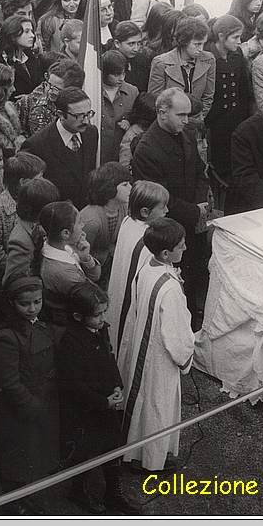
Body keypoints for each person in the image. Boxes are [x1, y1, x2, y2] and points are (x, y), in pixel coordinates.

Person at [117, 218, 196, 473]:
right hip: (160, 355)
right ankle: (151, 461)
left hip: (143, 341)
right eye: (181, 246)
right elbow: (177, 331)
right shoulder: (170, 288)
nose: (185, 249)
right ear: (165, 252)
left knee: (141, 401)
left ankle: (135, 452)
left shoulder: (147, 267)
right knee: (157, 406)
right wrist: (185, 357)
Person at [56, 285, 139, 515]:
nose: (103, 318)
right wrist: (104, 402)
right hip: (85, 409)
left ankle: (113, 492)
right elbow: (73, 386)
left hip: (105, 402)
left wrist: (116, 384)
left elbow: (108, 358)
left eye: (104, 312)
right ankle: (78, 491)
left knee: (112, 444)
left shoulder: (100, 330)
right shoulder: (70, 343)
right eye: (97, 314)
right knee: (83, 452)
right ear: (77, 317)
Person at [130, 89, 212, 315]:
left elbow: (199, 172)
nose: (187, 120)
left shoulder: (184, 134)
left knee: (195, 274)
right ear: (162, 113)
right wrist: (195, 211)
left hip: (193, 221)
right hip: (169, 227)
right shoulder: (147, 149)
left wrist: (200, 205)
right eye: (181, 115)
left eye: (188, 115)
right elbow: (158, 199)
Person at [0, 276, 60, 515]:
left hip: (42, 400)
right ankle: (12, 505)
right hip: (20, 408)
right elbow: (9, 383)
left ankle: (24, 499)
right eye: (25, 304)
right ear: (12, 303)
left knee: (33, 455)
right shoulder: (7, 336)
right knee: (15, 459)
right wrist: (32, 407)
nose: (32, 308)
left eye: (37, 302)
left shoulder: (40, 324)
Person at [105, 180, 169, 349]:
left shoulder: (128, 221)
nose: (167, 211)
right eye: (163, 208)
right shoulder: (148, 242)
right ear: (145, 212)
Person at [20, 87, 100, 209]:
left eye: (89, 114)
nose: (86, 121)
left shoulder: (91, 133)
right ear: (60, 115)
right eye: (79, 116)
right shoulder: (36, 145)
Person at [204, 16, 252, 199]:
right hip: (215, 120)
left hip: (235, 118)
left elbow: (243, 88)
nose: (239, 42)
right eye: (235, 37)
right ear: (221, 36)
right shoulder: (208, 55)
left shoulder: (237, 54)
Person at [37, 200, 102, 327]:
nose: (82, 225)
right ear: (65, 233)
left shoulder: (64, 246)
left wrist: (86, 258)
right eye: (79, 222)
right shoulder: (64, 273)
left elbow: (95, 275)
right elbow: (91, 297)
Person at [148, 17, 216, 124]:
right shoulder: (161, 63)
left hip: (196, 122)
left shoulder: (209, 60)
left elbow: (208, 97)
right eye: (196, 44)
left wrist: (197, 119)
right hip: (169, 124)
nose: (201, 49)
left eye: (203, 43)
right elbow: (155, 100)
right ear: (184, 41)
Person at [0, 151, 45, 270]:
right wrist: (15, 268)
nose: (43, 181)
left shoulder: (37, 198)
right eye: (39, 178)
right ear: (23, 182)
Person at [78, 162, 132, 272]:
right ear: (109, 187)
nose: (131, 187)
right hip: (90, 270)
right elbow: (79, 254)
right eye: (125, 185)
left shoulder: (124, 208)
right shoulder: (91, 220)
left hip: (108, 267)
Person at [16, 57, 85, 139]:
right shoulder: (40, 109)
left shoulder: (77, 102)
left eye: (56, 89)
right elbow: (43, 144)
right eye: (48, 85)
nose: (49, 91)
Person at [98, 50, 138, 164]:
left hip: (121, 149)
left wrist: (130, 121)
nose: (121, 78)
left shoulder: (132, 91)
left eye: (123, 73)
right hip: (100, 149)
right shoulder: (93, 88)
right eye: (116, 75)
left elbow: (138, 116)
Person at [0, 15, 41, 97]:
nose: (32, 35)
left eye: (32, 31)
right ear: (13, 36)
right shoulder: (0, 61)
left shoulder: (31, 57)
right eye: (26, 31)